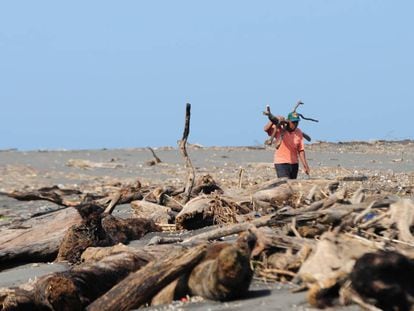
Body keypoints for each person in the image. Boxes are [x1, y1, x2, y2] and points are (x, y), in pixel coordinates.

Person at [264, 111, 310, 179]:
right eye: (293, 122)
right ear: (288, 122)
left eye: (297, 122)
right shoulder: (280, 128)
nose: (295, 124)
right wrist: (275, 118)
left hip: (294, 164)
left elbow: (301, 150)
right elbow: (266, 129)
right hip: (281, 163)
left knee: (292, 185)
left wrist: (305, 165)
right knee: (284, 184)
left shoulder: (298, 132)